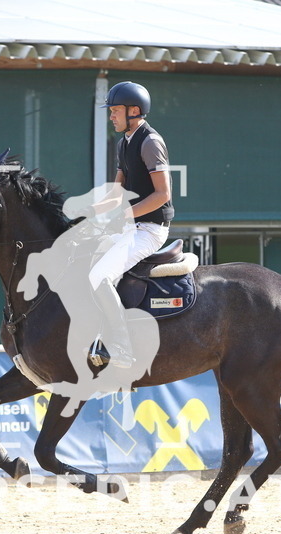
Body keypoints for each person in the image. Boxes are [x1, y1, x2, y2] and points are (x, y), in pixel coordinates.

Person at [86, 81, 174, 369]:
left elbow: (162, 195)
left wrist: (125, 215)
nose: (111, 116)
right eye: (111, 111)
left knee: (100, 277)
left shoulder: (150, 142)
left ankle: (122, 348)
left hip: (150, 230)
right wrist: (87, 213)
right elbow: (116, 193)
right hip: (130, 228)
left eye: (115, 110)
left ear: (134, 111)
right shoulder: (124, 142)